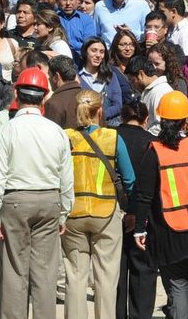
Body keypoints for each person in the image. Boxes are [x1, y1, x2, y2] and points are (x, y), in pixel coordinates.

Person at [0, 68, 74, 319]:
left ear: (16, 93)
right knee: (45, 272)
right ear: (44, 97)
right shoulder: (56, 132)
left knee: (14, 270)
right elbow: (66, 177)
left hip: (14, 201)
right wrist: (65, 212)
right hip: (49, 201)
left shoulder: (8, 130)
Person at [63, 89, 135, 319]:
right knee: (106, 278)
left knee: (75, 277)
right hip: (106, 213)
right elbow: (129, 178)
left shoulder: (67, 137)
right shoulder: (112, 138)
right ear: (100, 111)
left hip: (73, 212)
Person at [134, 91, 188, 319]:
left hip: (168, 232)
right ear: (186, 120)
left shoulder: (155, 151)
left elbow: (143, 195)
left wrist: (139, 229)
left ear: (160, 118)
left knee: (178, 286)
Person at [116, 100, 158, 319]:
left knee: (115, 272)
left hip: (112, 212)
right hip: (145, 215)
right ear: (146, 119)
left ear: (122, 117)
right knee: (143, 273)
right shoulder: (153, 143)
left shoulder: (109, 137)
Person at [79, 37, 123, 125]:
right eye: (94, 50)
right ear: (85, 52)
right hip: (86, 127)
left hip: (111, 126)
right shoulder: (78, 79)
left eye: (102, 52)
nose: (98, 55)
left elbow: (118, 105)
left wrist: (101, 115)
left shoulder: (110, 76)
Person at [126, 55, 173, 135]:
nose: (133, 85)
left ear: (141, 74)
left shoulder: (159, 92)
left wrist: (143, 137)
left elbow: (160, 125)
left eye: (132, 80)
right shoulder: (151, 91)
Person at [44, 55, 80, 130]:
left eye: (49, 75)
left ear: (56, 77)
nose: (48, 78)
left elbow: (51, 136)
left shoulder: (53, 104)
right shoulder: (93, 97)